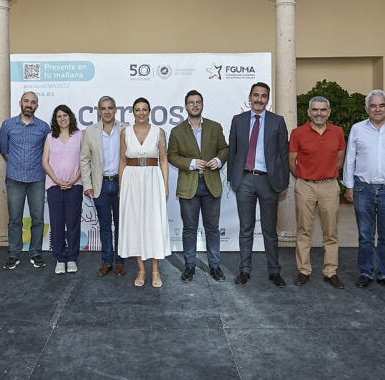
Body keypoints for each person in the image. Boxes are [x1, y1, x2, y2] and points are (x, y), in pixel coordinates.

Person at [342, 89, 385, 291]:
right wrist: (349, 186)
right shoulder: (357, 129)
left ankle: (384, 274)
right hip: (363, 189)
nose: (377, 109)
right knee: (365, 236)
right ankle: (365, 272)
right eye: (373, 105)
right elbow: (350, 159)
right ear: (366, 108)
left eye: (381, 105)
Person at [228, 82, 289, 287]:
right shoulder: (238, 121)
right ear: (250, 97)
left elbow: (283, 154)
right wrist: (233, 180)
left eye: (263, 96)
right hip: (244, 179)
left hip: (269, 181)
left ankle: (274, 271)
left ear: (268, 99)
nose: (259, 99)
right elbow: (233, 152)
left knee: (269, 230)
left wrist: (283, 183)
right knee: (246, 228)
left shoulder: (277, 122)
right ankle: (245, 271)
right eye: (256, 95)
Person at [168, 90, 229, 282]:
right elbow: (172, 156)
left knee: (212, 228)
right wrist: (192, 163)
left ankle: (215, 266)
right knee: (189, 228)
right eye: (191, 102)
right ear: (185, 106)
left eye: (198, 102)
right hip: (189, 186)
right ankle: (189, 267)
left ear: (202, 105)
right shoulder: (176, 131)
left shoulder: (214, 127)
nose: (195, 105)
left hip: (211, 184)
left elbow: (224, 149)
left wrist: (218, 160)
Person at [289, 96, 346, 289]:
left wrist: (325, 176)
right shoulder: (297, 133)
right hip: (305, 185)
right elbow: (292, 161)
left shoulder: (337, 132)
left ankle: (330, 271)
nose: (319, 113)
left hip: (330, 185)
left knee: (331, 232)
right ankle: (303, 270)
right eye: (315, 110)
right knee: (304, 230)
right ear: (308, 112)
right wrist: (304, 178)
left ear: (329, 112)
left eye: (323, 110)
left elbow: (340, 159)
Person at [118, 97, 171, 288]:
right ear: (133, 112)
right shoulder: (125, 132)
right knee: (136, 225)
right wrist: (121, 186)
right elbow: (122, 161)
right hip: (131, 180)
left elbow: (163, 160)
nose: (141, 113)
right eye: (137, 110)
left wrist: (165, 186)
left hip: (152, 180)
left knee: (153, 224)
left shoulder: (159, 132)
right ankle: (141, 270)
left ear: (150, 112)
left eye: (144, 109)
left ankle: (155, 271)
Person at [0, 91, 51, 270]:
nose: (29, 104)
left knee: (37, 218)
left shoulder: (44, 127)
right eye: (26, 101)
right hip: (14, 178)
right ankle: (14, 254)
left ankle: (35, 253)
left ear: (37, 105)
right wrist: (18, 165)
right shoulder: (7, 125)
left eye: (33, 102)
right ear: (20, 102)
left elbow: (48, 153)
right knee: (15, 219)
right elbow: (4, 150)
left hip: (37, 178)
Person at [80, 96, 128, 277]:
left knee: (122, 225)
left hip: (120, 184)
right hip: (100, 185)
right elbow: (84, 160)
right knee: (105, 226)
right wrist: (87, 185)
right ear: (98, 111)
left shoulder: (125, 129)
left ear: (116, 110)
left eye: (110, 108)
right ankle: (107, 261)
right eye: (103, 108)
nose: (107, 111)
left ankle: (120, 262)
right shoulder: (90, 131)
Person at [42, 105, 84, 275]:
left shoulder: (80, 135)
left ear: (70, 117)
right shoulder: (50, 137)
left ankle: (72, 257)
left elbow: (85, 160)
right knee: (57, 223)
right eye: (59, 116)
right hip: (54, 187)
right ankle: (60, 258)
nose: (62, 119)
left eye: (65, 115)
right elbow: (45, 162)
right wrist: (57, 180)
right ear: (55, 119)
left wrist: (74, 180)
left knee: (73, 223)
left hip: (75, 186)